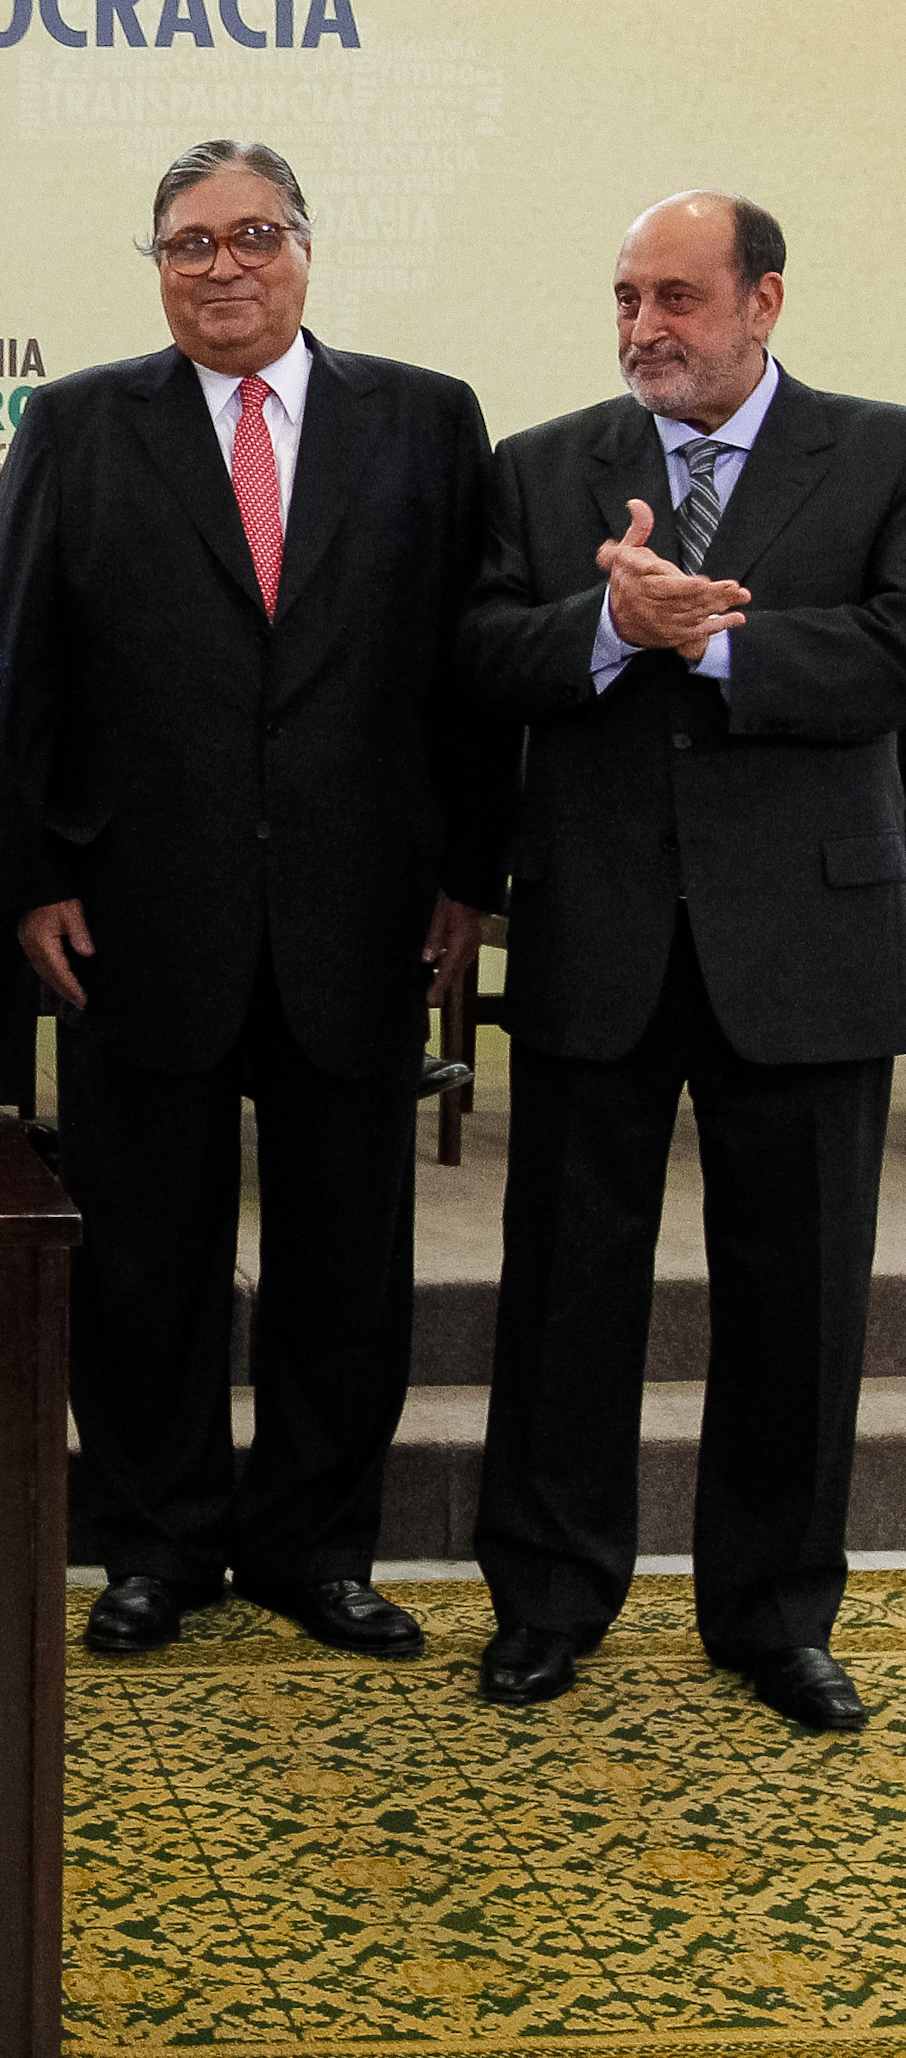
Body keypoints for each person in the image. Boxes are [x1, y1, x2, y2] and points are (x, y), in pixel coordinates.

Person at [0, 140, 511, 1661]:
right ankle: (156, 1543)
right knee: (142, 1253)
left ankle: (313, 1545)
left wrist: (467, 877)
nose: (224, 266)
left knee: (347, 1253)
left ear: (303, 248)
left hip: (362, 914)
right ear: (155, 264)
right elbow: (24, 675)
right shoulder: (79, 424)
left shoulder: (422, 420)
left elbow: (467, 679)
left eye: (254, 235)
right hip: (134, 919)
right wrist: (33, 883)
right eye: (188, 243)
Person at [458, 192, 906, 1732]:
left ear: (762, 303)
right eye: (625, 297)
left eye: (677, 297)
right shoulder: (538, 465)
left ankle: (773, 1616)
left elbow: (892, 651)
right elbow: (479, 655)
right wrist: (606, 623)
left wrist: (704, 640)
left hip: (808, 938)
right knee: (565, 1289)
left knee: (800, 1293)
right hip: (598, 933)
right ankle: (546, 1601)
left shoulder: (882, 451)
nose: (644, 325)